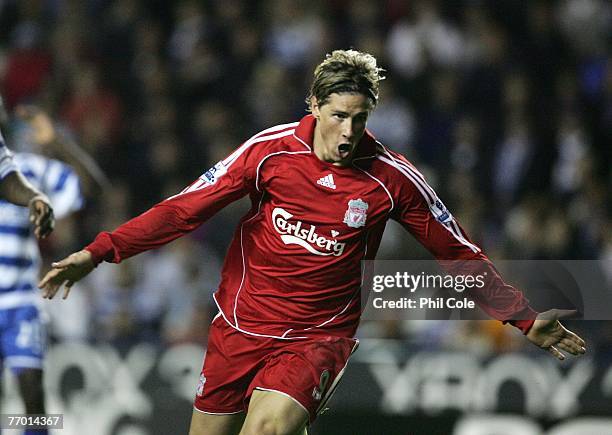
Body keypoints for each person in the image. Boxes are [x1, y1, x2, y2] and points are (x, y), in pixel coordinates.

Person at [38, 50, 586, 435]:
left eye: (361, 119)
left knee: (266, 432)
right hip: (239, 325)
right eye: (340, 117)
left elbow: (457, 251)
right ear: (315, 107)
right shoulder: (268, 153)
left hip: (317, 337)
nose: (349, 132)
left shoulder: (391, 179)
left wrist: (522, 316)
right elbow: (183, 210)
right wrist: (98, 251)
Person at [0, 100, 107, 435]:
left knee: (32, 391)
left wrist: (58, 142)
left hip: (19, 300)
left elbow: (93, 188)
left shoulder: (30, 168)